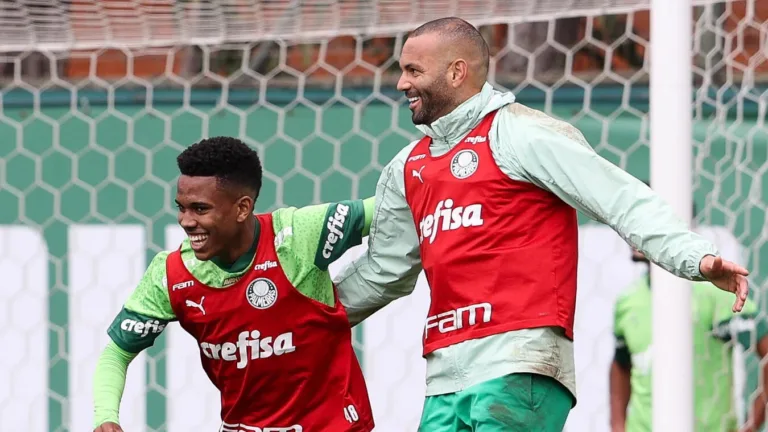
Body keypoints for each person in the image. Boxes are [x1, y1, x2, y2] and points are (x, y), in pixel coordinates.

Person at [332, 16, 751, 431]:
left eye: (413, 70)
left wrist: (694, 257)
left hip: (519, 364)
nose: (402, 83)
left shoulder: (521, 134)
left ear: (457, 72)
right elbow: (382, 270)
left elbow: (619, 197)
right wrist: (296, 317)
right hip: (444, 378)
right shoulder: (408, 167)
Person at [92, 136, 375, 432]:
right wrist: (106, 417)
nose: (185, 221)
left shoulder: (297, 237)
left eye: (200, 209)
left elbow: (388, 207)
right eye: (181, 208)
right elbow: (117, 353)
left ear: (242, 208)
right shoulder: (171, 274)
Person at [611, 244, 768, 432]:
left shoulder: (715, 295)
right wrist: (618, 425)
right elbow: (621, 365)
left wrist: (752, 425)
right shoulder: (628, 301)